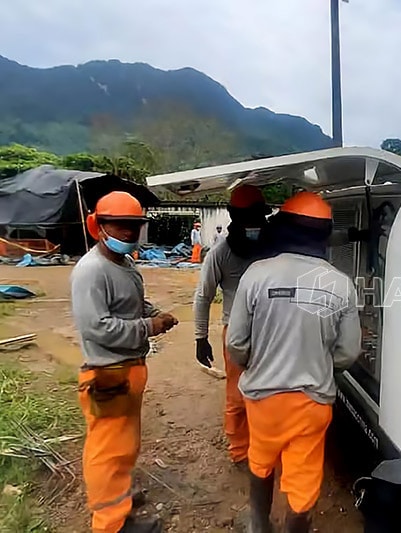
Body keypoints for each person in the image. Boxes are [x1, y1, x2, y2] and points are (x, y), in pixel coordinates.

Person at [226, 191, 362, 533]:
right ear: (325, 235)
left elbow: (236, 343)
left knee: (260, 460)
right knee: (303, 477)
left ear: (282, 229)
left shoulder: (256, 275)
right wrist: (318, 365)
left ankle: (258, 524)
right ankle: (295, 528)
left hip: (262, 398)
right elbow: (348, 353)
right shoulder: (340, 284)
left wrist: (257, 365)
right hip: (311, 401)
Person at [70, 191, 179, 533]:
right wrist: (150, 326)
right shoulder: (91, 271)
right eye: (121, 226)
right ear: (98, 226)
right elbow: (98, 328)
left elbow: (133, 303)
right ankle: (111, 524)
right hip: (107, 373)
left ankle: (121, 502)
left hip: (127, 370)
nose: (129, 233)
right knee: (108, 452)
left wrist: (153, 313)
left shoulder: (126, 264)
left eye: (134, 226)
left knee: (124, 444)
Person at [193, 185, 273, 469]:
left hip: (271, 332)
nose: (254, 224)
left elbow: (314, 242)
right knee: (237, 396)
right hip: (236, 333)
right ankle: (240, 450)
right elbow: (203, 296)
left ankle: (266, 444)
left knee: (270, 392)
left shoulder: (273, 246)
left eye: (257, 217)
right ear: (233, 216)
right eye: (247, 217)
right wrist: (200, 338)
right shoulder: (220, 254)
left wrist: (355, 235)